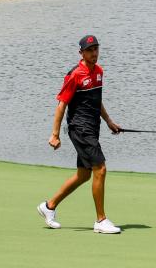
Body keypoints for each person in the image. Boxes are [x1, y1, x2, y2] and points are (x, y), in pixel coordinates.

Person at [38, 35, 124, 234]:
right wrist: (55, 134)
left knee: (83, 175)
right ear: (81, 53)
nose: (94, 53)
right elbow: (62, 104)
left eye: (96, 49)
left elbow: (96, 101)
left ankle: (48, 206)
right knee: (100, 169)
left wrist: (109, 121)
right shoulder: (75, 75)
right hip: (80, 128)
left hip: (93, 128)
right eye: (90, 50)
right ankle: (101, 220)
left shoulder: (99, 72)